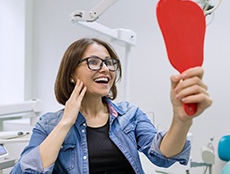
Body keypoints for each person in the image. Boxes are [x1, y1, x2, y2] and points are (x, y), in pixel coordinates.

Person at [10, 37, 212, 174]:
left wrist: (181, 120)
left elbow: (163, 156)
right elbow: (25, 170)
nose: (105, 69)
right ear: (72, 74)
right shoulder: (49, 124)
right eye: (94, 62)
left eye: (109, 62)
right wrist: (66, 122)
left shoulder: (129, 115)